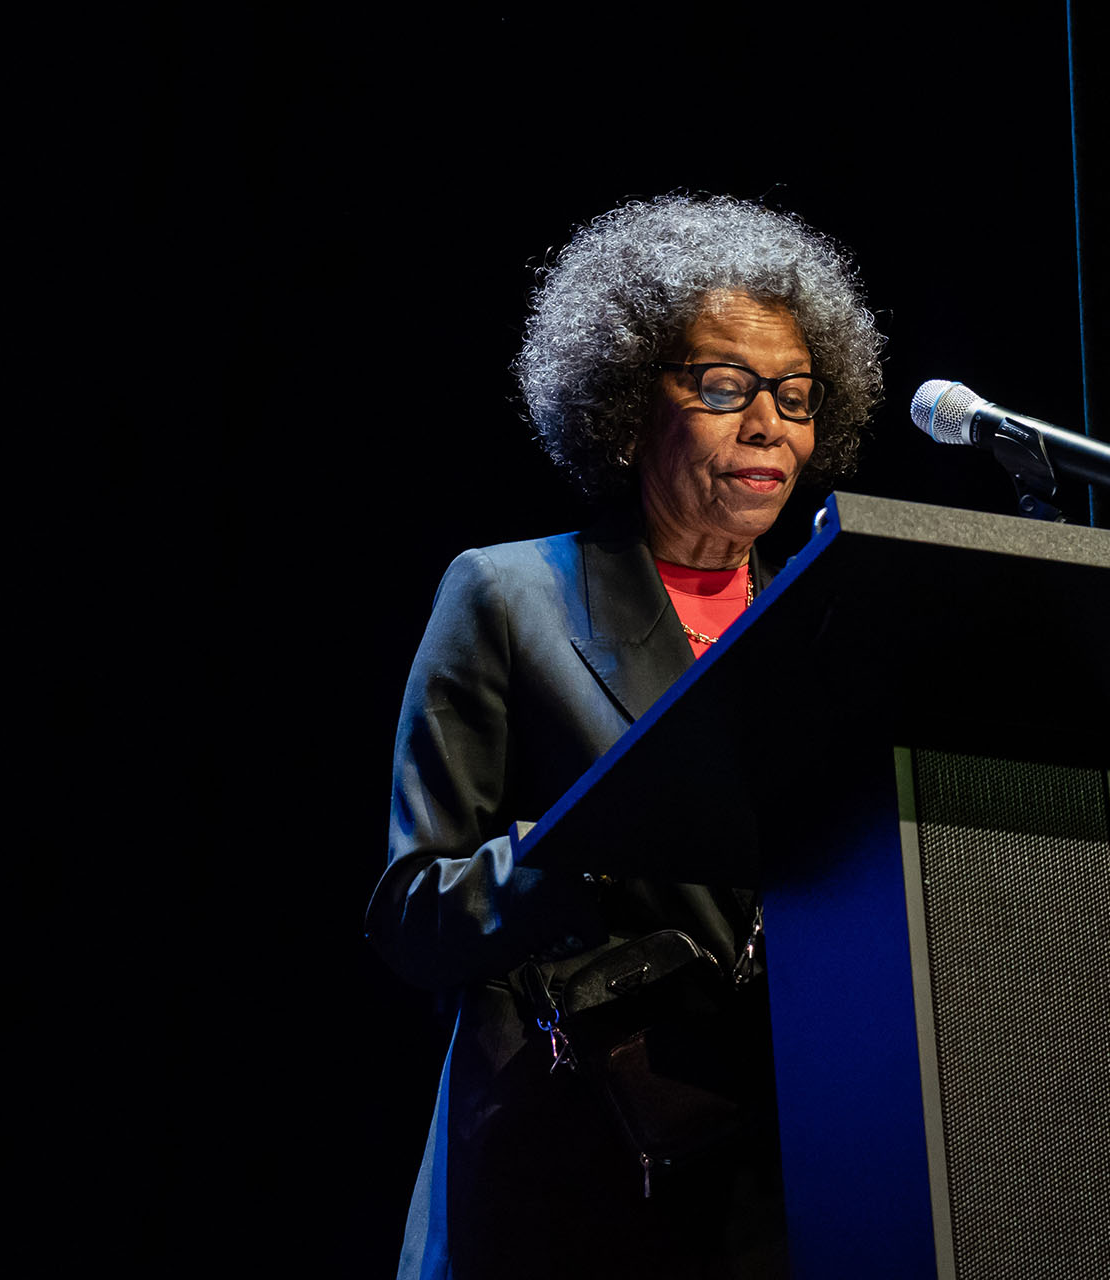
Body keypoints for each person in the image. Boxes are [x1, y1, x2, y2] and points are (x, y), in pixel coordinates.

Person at [366, 195, 885, 1279]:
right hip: (571, 1173)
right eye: (724, 386)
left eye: (795, 395)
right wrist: (590, 841)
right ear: (627, 401)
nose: (769, 424)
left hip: (784, 1189)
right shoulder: (508, 595)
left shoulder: (832, 631)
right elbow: (416, 912)